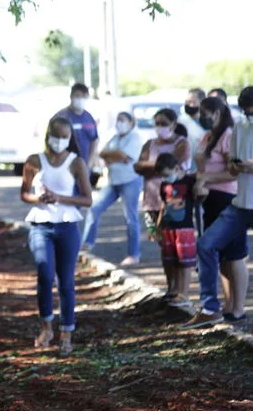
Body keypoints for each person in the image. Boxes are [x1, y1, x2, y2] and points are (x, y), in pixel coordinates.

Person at [21, 116, 93, 355]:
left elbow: (87, 199)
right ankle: (46, 327)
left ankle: (66, 333)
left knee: (66, 281)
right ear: (48, 135)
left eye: (65, 137)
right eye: (56, 135)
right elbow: (24, 193)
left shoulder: (76, 162)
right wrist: (39, 198)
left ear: (70, 138)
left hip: (67, 225)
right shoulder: (34, 160)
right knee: (44, 274)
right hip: (41, 225)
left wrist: (60, 198)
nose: (59, 141)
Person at [185, 86, 253, 329]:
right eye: (245, 112)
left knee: (235, 256)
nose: (249, 116)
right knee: (206, 244)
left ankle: (236, 308)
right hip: (241, 203)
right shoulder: (240, 128)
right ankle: (210, 308)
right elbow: (232, 167)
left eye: (251, 112)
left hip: (231, 197)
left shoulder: (231, 130)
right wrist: (236, 166)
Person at [133, 108, 191, 297]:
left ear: (174, 124)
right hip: (152, 200)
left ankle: (181, 290)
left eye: (163, 123)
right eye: (156, 123)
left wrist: (151, 166)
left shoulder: (182, 143)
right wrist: (160, 165)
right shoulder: (149, 143)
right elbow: (138, 166)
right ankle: (171, 287)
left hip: (175, 201)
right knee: (164, 246)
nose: (159, 127)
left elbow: (180, 165)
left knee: (178, 247)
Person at [82, 112, 144, 265]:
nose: (119, 123)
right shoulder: (115, 138)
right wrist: (116, 156)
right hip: (113, 181)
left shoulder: (135, 138)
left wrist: (115, 156)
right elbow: (103, 153)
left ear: (131, 123)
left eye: (123, 120)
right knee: (94, 208)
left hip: (130, 180)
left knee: (131, 218)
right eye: (118, 120)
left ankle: (133, 254)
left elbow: (125, 156)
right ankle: (87, 243)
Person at [154, 153, 198, 306]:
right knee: (169, 260)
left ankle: (183, 293)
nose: (165, 178)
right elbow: (164, 205)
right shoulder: (164, 185)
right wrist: (157, 228)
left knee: (184, 261)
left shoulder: (189, 182)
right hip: (168, 228)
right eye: (162, 175)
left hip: (184, 228)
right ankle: (172, 289)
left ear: (176, 168)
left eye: (167, 174)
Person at [56, 83, 100, 179]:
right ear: (71, 96)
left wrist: (89, 164)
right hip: (65, 167)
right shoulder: (61, 116)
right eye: (77, 96)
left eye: (84, 96)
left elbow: (94, 140)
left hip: (84, 167)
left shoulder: (89, 118)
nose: (80, 99)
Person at [180, 88, 207, 169]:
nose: (188, 105)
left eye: (192, 102)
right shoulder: (180, 122)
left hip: (204, 168)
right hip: (184, 168)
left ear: (202, 102)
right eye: (186, 102)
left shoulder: (210, 123)